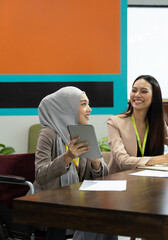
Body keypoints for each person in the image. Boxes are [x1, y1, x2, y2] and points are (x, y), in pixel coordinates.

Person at [33, 86, 116, 240]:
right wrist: (67, 157)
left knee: (107, 216)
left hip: (79, 201)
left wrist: (96, 163)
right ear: (66, 108)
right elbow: (40, 176)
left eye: (88, 104)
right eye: (83, 104)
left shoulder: (83, 132)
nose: (89, 109)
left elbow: (104, 177)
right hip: (52, 203)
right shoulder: (48, 134)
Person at [107, 75, 168, 173]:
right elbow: (122, 161)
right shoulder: (114, 122)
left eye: (144, 91)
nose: (137, 95)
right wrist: (163, 159)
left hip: (151, 181)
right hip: (121, 182)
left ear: (154, 97)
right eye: (134, 90)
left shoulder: (158, 123)